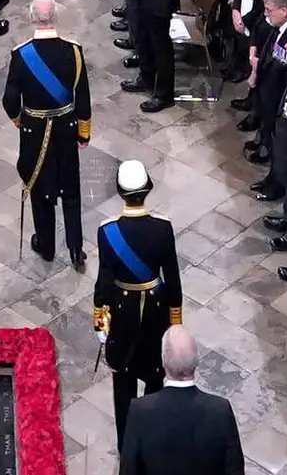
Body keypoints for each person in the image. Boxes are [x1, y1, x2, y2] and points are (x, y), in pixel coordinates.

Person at [90, 159, 186, 429]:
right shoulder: (163, 227)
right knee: (155, 380)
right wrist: (175, 322)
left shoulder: (107, 231)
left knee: (123, 384)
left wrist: (100, 319)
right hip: (157, 313)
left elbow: (105, 282)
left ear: (120, 192)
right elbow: (173, 280)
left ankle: (126, 443)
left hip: (122, 314)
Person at [3, 0, 96, 262]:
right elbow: (83, 96)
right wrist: (84, 132)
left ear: (32, 17)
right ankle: (76, 249)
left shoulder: (21, 56)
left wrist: (22, 122)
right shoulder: (74, 52)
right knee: (71, 189)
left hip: (34, 132)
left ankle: (46, 246)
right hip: (66, 128)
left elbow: (9, 99)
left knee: (41, 189)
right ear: (55, 16)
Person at [122, 327, 248, 475]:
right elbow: (235, 470)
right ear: (197, 361)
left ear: (163, 361)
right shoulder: (220, 411)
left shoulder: (140, 412)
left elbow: (128, 471)